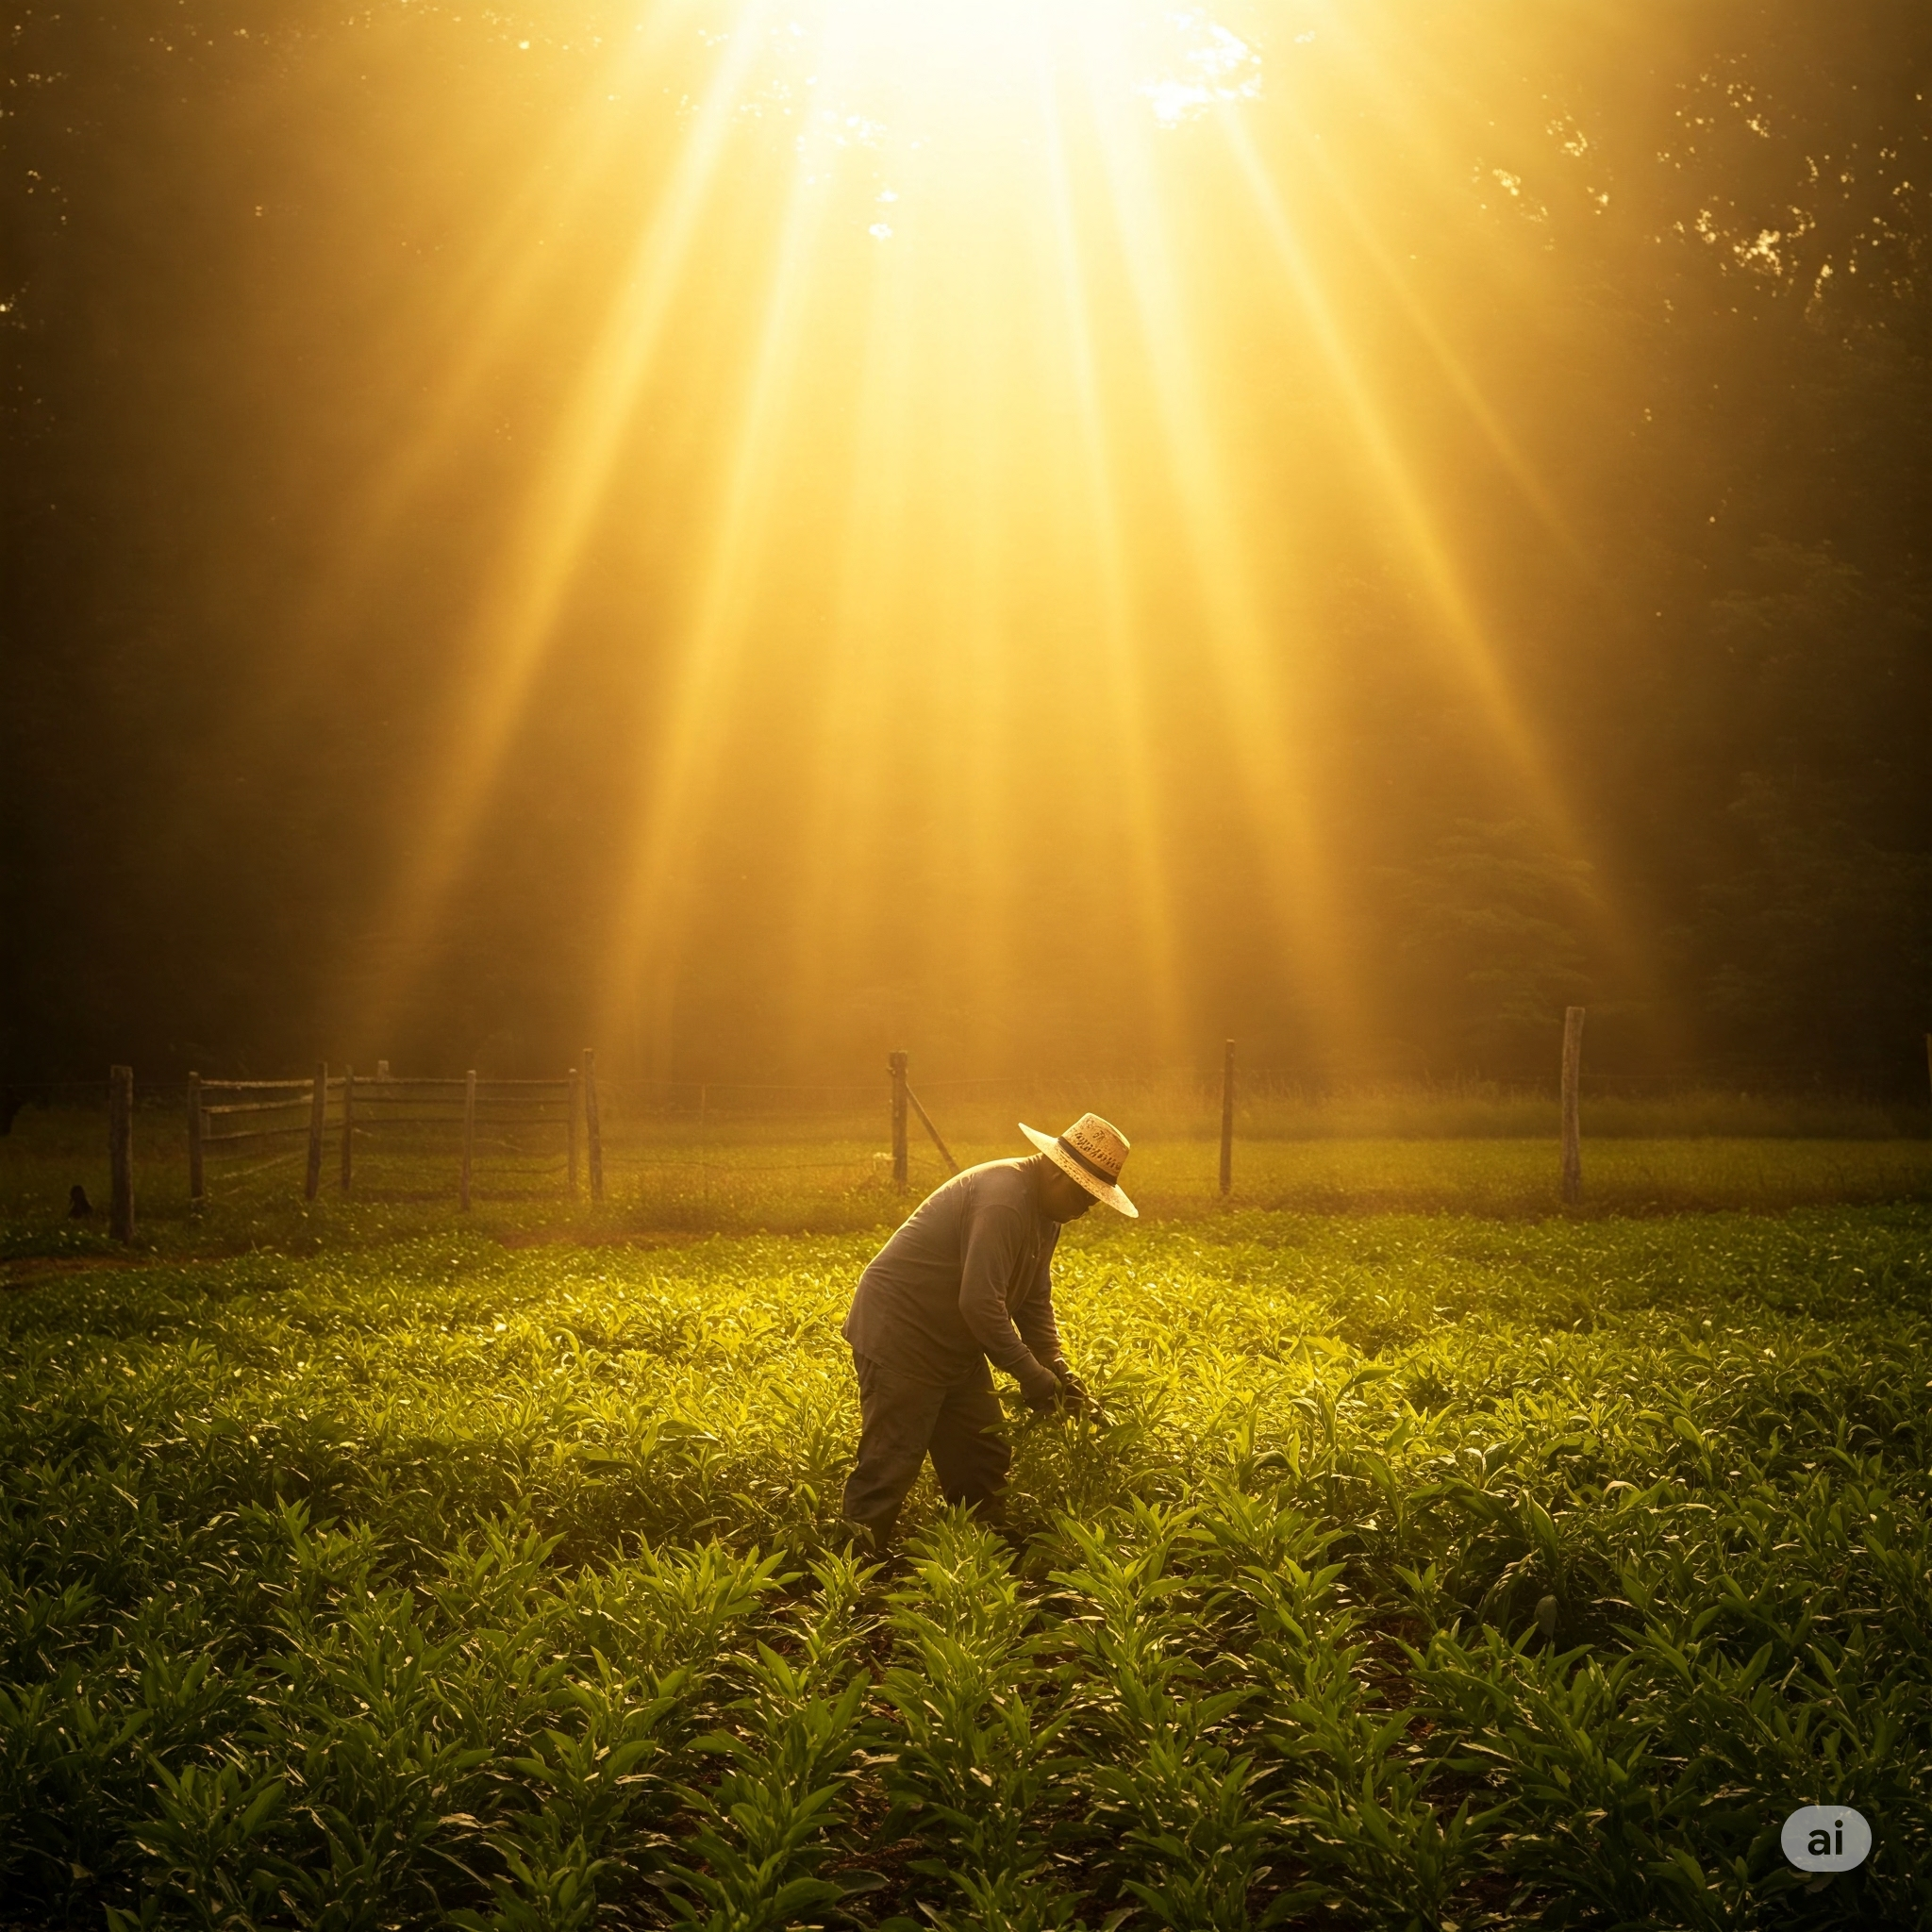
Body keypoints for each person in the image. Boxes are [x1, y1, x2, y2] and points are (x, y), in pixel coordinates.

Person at [841, 1112, 1138, 1557]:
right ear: (1057, 1173)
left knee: (981, 1453)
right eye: (1083, 1195)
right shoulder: (1004, 1200)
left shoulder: (1047, 1214)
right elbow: (980, 1303)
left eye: (1093, 1202)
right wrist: (1032, 1377)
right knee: (891, 1462)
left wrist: (1055, 1365)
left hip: (954, 1341)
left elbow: (1033, 1297)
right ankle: (851, 1571)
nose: (1084, 1210)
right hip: (901, 1331)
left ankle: (983, 1558)